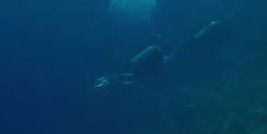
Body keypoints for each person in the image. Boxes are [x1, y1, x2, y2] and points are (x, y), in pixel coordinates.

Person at [93, 16, 232, 90]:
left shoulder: (149, 61)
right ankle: (108, 80)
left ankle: (108, 80)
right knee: (187, 45)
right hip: (156, 63)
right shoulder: (163, 51)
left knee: (132, 77)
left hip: (151, 65)